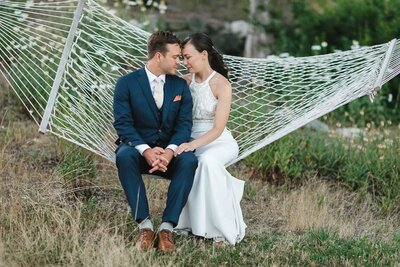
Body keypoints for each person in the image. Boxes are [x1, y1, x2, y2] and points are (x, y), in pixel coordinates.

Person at [113, 31, 198, 253]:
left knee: (189, 160)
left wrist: (170, 152)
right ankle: (145, 226)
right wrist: (145, 150)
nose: (180, 62)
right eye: (176, 57)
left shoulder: (180, 86)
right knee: (124, 155)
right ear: (159, 56)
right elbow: (123, 124)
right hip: (139, 152)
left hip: (169, 155)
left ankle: (167, 228)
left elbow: (184, 125)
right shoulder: (126, 83)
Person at [174, 33, 246, 245]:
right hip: (190, 139)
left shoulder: (221, 84)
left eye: (188, 57)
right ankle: (194, 225)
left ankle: (221, 229)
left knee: (207, 162)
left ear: (204, 54)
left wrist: (191, 145)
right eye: (183, 58)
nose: (184, 62)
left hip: (219, 142)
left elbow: (218, 128)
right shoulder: (184, 82)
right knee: (193, 163)